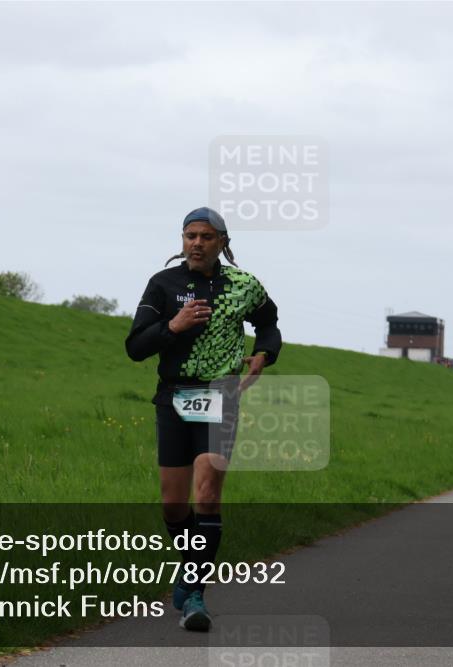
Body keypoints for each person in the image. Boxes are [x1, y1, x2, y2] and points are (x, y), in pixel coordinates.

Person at [125, 206, 281, 630]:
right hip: (173, 395)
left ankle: (195, 592)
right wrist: (172, 327)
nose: (197, 242)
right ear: (182, 240)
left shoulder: (243, 285)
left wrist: (264, 355)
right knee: (174, 505)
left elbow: (269, 324)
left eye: (206, 236)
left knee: (207, 494)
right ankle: (190, 563)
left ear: (222, 243)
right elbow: (136, 347)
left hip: (221, 394)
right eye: (190, 235)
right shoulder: (163, 284)